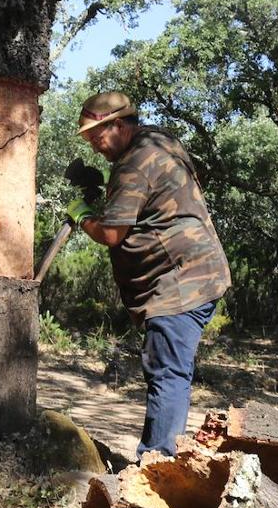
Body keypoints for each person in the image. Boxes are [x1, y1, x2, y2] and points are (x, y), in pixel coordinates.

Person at [64, 91, 231, 459]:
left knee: (167, 373)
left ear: (118, 124)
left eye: (97, 137)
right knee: (167, 370)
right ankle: (158, 460)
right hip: (196, 275)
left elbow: (111, 234)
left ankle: (156, 468)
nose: (94, 147)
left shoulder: (133, 163)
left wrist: (82, 215)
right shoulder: (160, 140)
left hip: (180, 283)